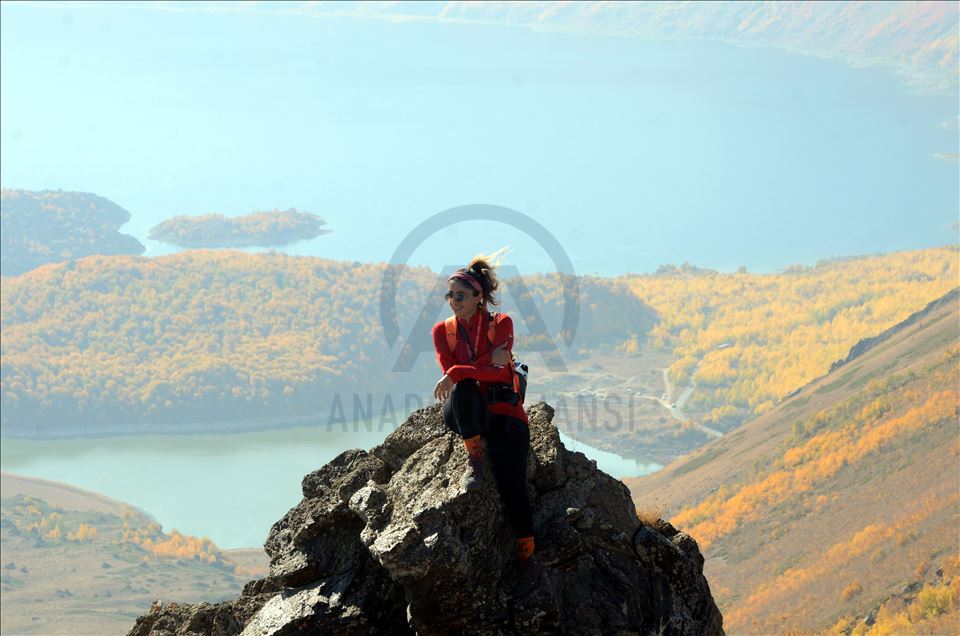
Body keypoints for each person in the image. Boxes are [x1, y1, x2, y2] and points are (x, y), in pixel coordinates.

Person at [431, 254, 540, 588]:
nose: (453, 302)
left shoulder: (502, 323)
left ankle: (526, 548)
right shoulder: (442, 332)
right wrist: (480, 367)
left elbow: (493, 374)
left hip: (505, 412)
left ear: (479, 297)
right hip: (467, 413)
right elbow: (482, 372)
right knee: (463, 389)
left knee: (512, 482)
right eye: (449, 296)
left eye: (459, 296)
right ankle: (474, 451)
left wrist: (462, 369)